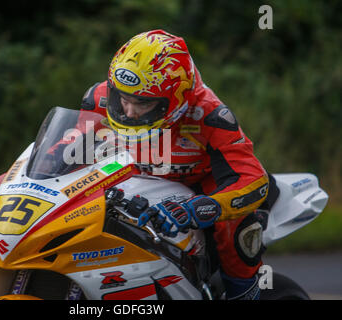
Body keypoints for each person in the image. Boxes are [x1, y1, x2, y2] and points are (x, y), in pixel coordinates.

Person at [79, 29, 272, 300]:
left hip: (199, 187)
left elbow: (253, 179)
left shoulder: (209, 114)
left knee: (234, 229)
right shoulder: (98, 99)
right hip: (130, 180)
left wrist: (204, 207)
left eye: (142, 103)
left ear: (176, 99)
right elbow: (66, 154)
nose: (129, 111)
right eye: (122, 98)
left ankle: (245, 293)